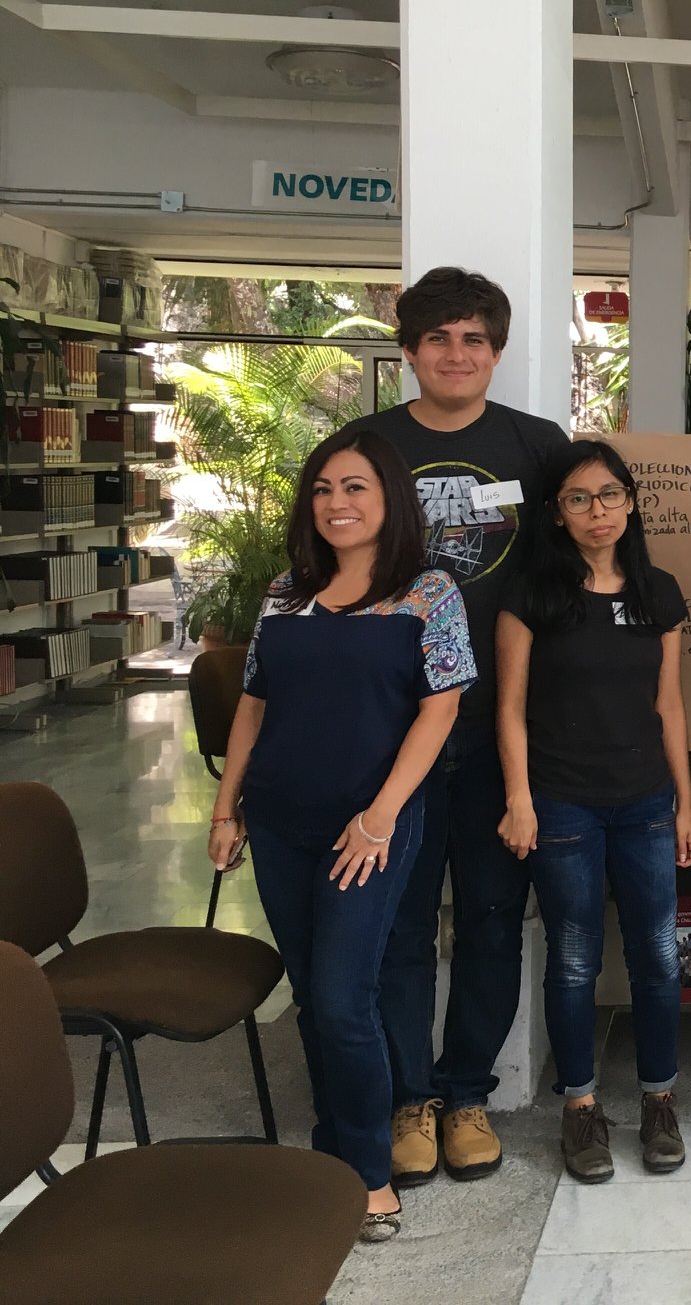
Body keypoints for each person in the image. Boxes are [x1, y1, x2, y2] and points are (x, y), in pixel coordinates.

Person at [207, 427, 475, 1244]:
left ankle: (366, 1171)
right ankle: (332, 1144)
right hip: (280, 820)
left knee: (343, 996)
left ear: (389, 498)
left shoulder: (428, 592)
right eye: (323, 489)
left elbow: (439, 710)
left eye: (355, 487)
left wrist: (382, 814)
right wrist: (226, 808)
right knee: (311, 992)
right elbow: (253, 702)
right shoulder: (287, 592)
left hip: (371, 827)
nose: (336, 503)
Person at [354, 267, 569, 1187]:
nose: (456, 354)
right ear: (409, 350)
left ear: (497, 350)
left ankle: (468, 1092)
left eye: (473, 338)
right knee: (400, 925)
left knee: (491, 919)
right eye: (438, 338)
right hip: (390, 732)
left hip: (499, 731)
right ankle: (410, 1099)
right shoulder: (366, 446)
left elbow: (572, 566)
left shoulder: (538, 446)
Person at [495, 441, 691, 1184]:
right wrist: (519, 799)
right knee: (575, 958)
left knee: (658, 956)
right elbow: (510, 708)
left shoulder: (658, 593)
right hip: (561, 803)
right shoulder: (532, 595)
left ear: (631, 502)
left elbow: (669, 706)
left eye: (610, 494)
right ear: (557, 513)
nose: (597, 511)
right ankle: (580, 1107)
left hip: (645, 800)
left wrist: (684, 804)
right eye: (578, 499)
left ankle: (659, 1100)